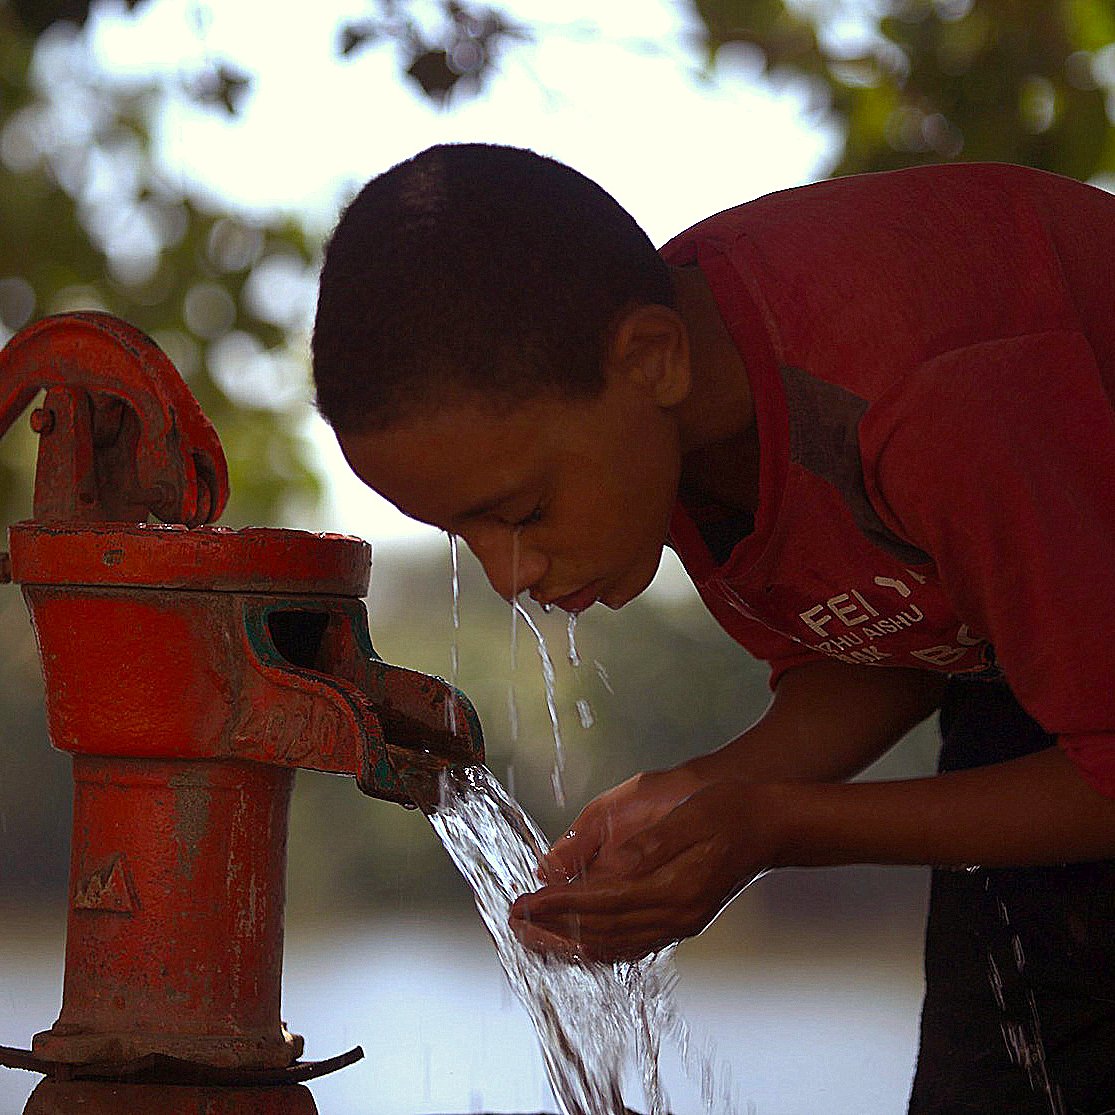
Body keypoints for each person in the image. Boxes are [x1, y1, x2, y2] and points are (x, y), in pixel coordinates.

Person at [311, 143, 1115, 1113]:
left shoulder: (925, 393)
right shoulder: (669, 393)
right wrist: (709, 789)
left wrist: (773, 823)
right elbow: (906, 631)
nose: (508, 577)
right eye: (463, 535)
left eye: (520, 513)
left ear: (651, 358)